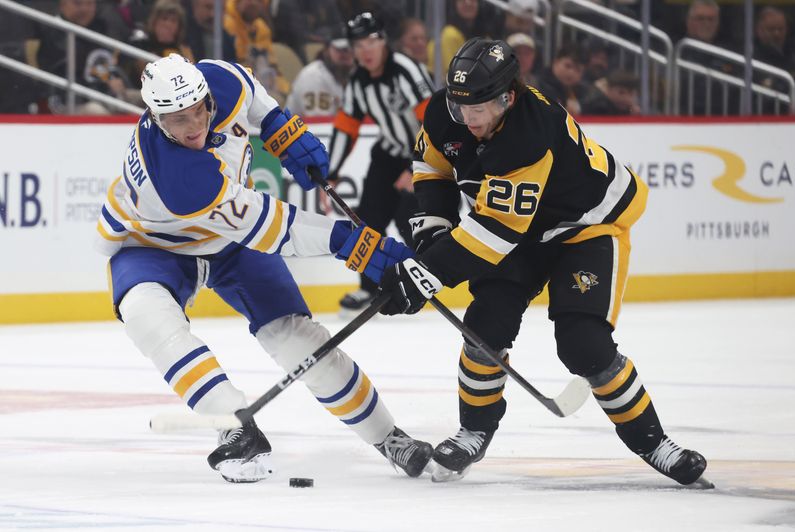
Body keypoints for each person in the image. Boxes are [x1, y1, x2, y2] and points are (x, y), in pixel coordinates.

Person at [378, 38, 710, 487]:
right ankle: (475, 428)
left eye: (479, 109)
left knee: (583, 344)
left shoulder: (529, 133)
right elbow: (432, 169)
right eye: (460, 108)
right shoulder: (444, 113)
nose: (468, 119)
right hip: (520, 230)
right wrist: (432, 235)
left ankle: (652, 441)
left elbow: (495, 233)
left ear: (506, 98)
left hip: (586, 225)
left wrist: (427, 273)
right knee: (483, 326)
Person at [95, 53, 434, 483]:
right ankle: (234, 426)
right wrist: (350, 242)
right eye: (178, 119)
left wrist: (279, 125)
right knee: (146, 316)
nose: (194, 125)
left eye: (198, 109)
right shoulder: (177, 176)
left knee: (298, 339)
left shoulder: (219, 79)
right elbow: (275, 228)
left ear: (205, 94)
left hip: (230, 240)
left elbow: (250, 91)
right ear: (156, 117)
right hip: (153, 243)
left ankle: (389, 437)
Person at [327, 12, 434, 316]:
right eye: (358, 44)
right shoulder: (359, 81)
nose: (365, 50)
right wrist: (331, 173)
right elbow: (346, 127)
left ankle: (422, 282)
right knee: (368, 221)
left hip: (425, 155)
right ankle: (367, 289)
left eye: (371, 41)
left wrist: (416, 167)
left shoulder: (406, 70)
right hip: (387, 155)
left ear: (384, 41)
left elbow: (436, 124)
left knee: (413, 221)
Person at [285, 35, 354, 118]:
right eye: (340, 50)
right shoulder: (313, 77)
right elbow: (319, 124)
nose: (346, 54)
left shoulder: (352, 73)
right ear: (326, 50)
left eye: (350, 49)